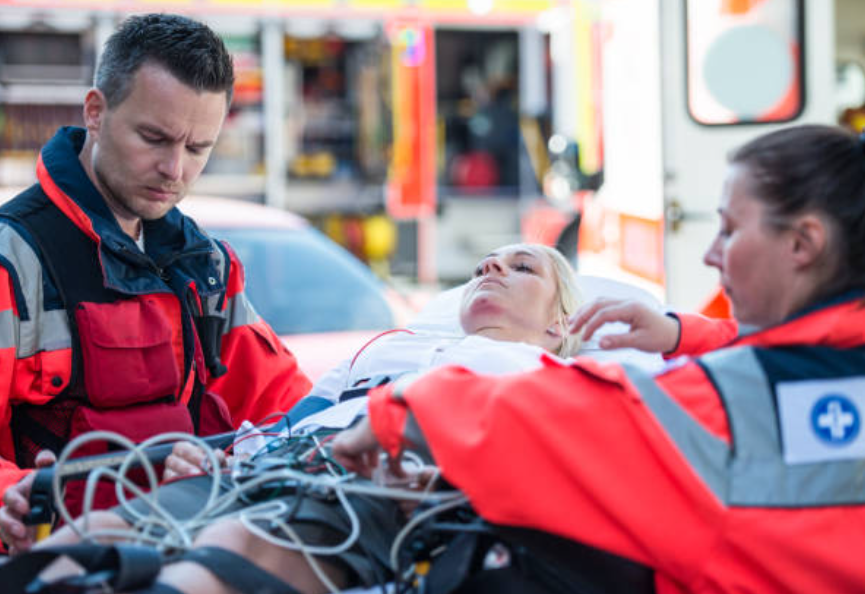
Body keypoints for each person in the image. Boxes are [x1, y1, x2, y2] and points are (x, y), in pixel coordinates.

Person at [332, 124, 865, 593]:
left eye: (729, 229)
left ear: (803, 244)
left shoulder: (727, 405)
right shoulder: (816, 372)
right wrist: (682, 333)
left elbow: (578, 418)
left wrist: (404, 407)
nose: (710, 253)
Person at [10, 242, 583, 593]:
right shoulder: (387, 348)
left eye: (522, 267)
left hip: (371, 483)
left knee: (222, 554)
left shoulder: (541, 375)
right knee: (96, 534)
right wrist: (221, 455)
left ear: (558, 326)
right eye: (487, 262)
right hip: (276, 466)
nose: (492, 267)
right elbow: (292, 420)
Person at [0, 14, 311, 554]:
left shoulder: (208, 265)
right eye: (154, 138)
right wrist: (12, 496)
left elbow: (285, 406)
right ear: (95, 112)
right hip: (48, 565)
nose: (174, 170)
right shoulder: (13, 262)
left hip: (182, 556)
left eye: (198, 149)